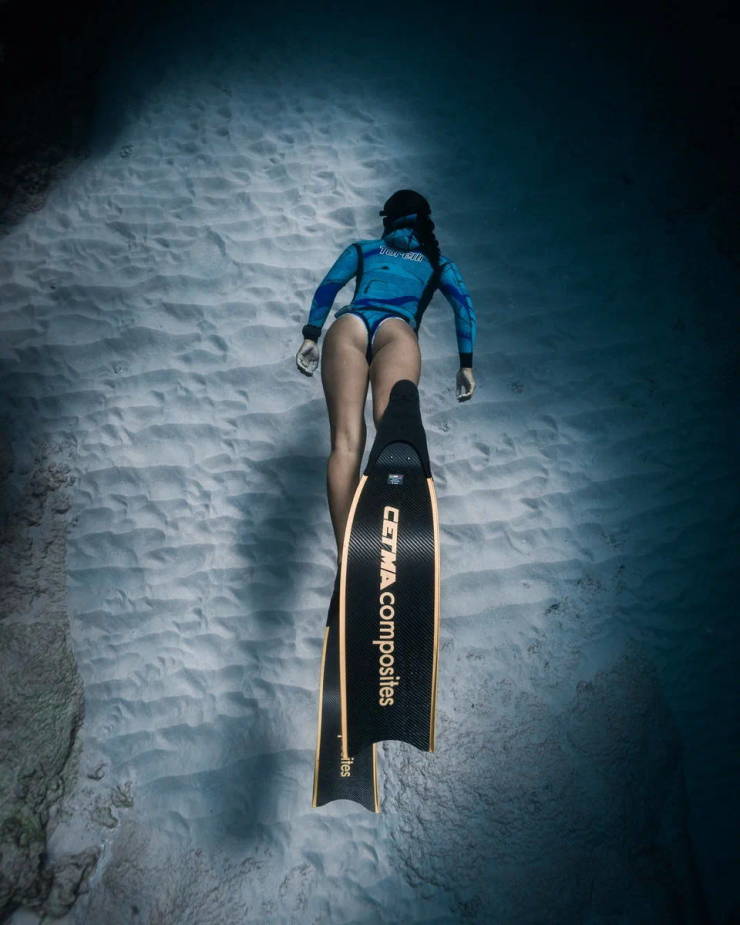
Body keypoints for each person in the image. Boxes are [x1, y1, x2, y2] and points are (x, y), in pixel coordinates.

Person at [295, 189, 477, 567]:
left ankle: (349, 554)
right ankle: (398, 529)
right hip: (396, 331)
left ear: (387, 220)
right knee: (393, 429)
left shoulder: (363, 250)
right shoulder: (438, 263)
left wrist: (311, 335)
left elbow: (328, 288)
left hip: (350, 324)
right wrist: (466, 362)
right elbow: (464, 308)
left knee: (346, 441)